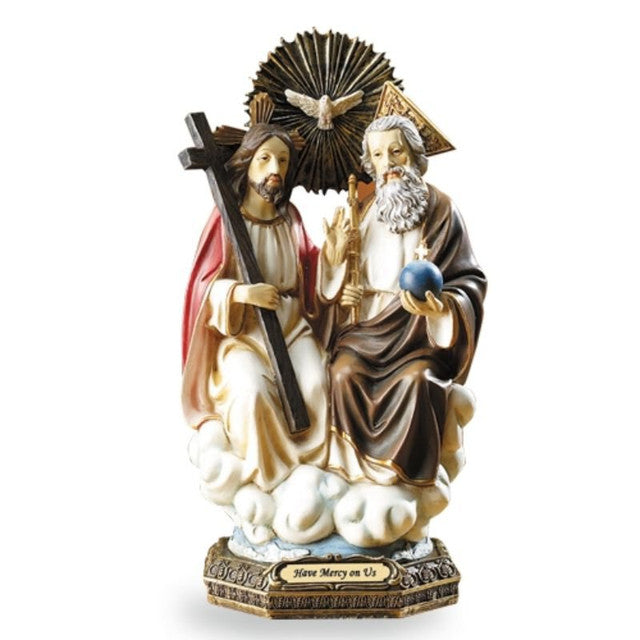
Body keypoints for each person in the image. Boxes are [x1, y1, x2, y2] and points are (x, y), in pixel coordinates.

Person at [319, 115, 486, 490]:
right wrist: (338, 275)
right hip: (367, 332)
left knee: (417, 382)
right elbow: (341, 276)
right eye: (378, 155)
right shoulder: (363, 210)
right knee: (342, 374)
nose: (388, 163)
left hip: (417, 338)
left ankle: (403, 484)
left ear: (414, 154)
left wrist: (441, 308)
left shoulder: (441, 210)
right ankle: (352, 473)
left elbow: (470, 280)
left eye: (396, 151)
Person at [182, 124, 328, 497]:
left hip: (292, 327)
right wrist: (242, 293)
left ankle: (313, 473)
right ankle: (272, 484)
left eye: (282, 160)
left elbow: (314, 268)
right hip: (243, 336)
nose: (274, 169)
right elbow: (202, 287)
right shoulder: (227, 220)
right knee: (251, 393)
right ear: (247, 164)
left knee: (317, 385)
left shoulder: (290, 217)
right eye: (264, 159)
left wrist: (337, 255)